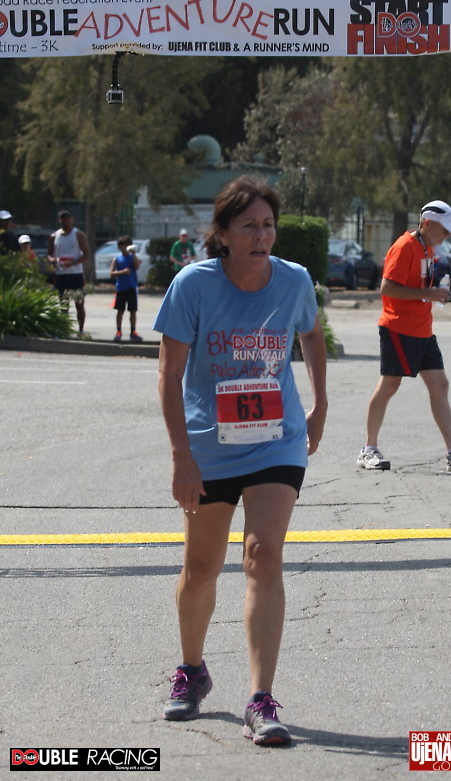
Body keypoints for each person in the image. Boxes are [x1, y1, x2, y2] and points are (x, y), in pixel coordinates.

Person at [154, 176, 328, 746]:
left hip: (276, 439)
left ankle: (261, 698)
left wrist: (320, 404)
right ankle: (192, 670)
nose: (261, 235)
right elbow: (169, 375)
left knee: (263, 556)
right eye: (249, 225)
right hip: (209, 445)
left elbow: (312, 334)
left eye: (268, 225)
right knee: (201, 567)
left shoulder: (294, 280)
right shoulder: (193, 285)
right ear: (224, 234)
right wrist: (181, 456)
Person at [357, 200, 451, 473]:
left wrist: (435, 292)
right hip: (398, 328)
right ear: (427, 224)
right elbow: (387, 288)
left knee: (440, 384)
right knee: (389, 385)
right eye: (444, 229)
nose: (448, 235)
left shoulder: (426, 246)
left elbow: (418, 286)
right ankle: (368, 450)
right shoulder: (404, 246)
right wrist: (427, 293)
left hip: (422, 328)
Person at [48, 209, 90, 338]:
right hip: (61, 275)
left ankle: (81, 331)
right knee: (63, 305)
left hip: (75, 274)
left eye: (67, 218)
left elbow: (86, 254)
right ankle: (63, 331)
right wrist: (53, 260)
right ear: (59, 220)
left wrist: (73, 262)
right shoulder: (54, 236)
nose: (65, 221)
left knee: (79, 303)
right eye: (62, 218)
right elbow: (49, 254)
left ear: (72, 219)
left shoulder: (78, 234)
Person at [110, 236, 143, 342]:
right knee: (120, 311)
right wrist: (122, 272)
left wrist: (134, 254)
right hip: (121, 288)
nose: (126, 247)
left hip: (132, 287)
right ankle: (118, 331)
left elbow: (137, 267)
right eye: (124, 245)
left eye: (128, 245)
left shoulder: (132, 258)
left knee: (133, 311)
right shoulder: (117, 259)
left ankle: (133, 332)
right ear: (120, 247)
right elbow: (112, 273)